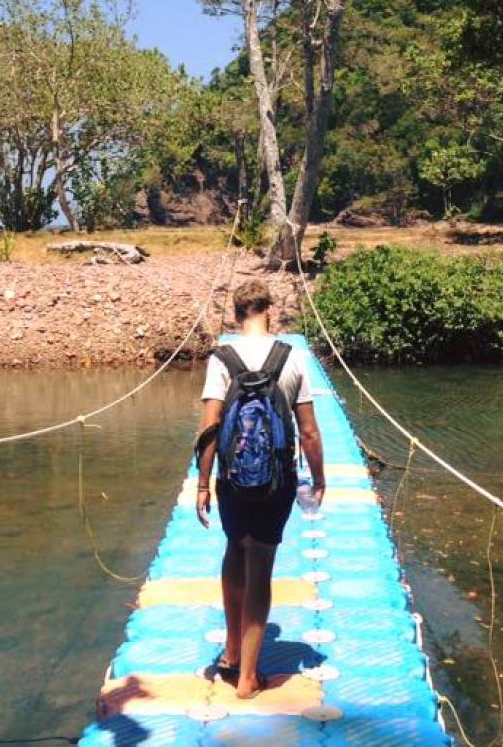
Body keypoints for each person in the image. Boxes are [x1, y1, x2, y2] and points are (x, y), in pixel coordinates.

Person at [194, 278, 325, 699]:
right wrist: (319, 479)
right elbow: (309, 433)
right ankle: (249, 678)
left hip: (231, 478)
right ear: (269, 311)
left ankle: (232, 653)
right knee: (261, 565)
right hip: (276, 480)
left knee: (236, 546)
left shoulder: (221, 359)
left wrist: (202, 483)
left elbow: (209, 428)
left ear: (236, 316)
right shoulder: (292, 359)